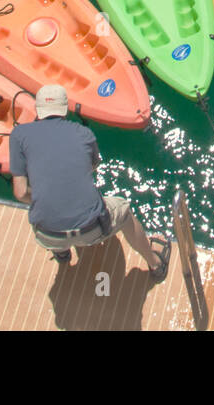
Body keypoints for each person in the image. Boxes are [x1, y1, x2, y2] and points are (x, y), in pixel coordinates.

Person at [9, 85, 169, 279]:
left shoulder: (18, 136)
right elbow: (92, 167)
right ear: (64, 108)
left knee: (45, 206)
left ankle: (61, 252)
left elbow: (20, 192)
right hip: (91, 229)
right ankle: (155, 264)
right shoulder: (83, 134)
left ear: (38, 110)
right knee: (124, 211)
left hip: (46, 234)